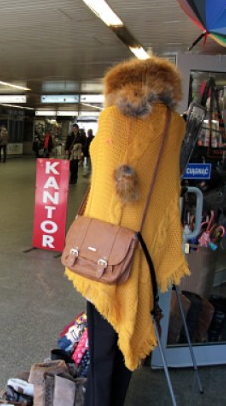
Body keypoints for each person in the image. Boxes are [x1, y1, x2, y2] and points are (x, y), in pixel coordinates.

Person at [64, 57, 188, 405]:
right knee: (123, 346)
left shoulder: (110, 120)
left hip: (104, 253)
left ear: (120, 85)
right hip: (144, 253)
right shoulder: (174, 127)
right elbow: (166, 195)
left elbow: (101, 174)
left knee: (102, 349)